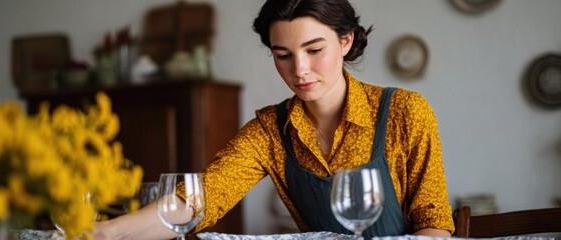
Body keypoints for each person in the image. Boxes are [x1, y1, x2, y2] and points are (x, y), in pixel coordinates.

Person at [94, 0, 455, 238]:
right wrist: (105, 233)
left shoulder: (405, 111)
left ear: (345, 41)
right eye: (282, 55)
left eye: (314, 50)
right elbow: (199, 198)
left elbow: (435, 225)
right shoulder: (270, 131)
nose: (299, 70)